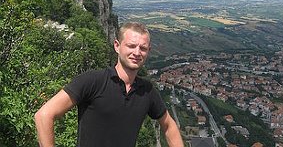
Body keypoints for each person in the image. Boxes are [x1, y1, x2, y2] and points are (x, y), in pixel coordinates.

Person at [35, 21, 184, 147]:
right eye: (131, 46)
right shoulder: (93, 81)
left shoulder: (147, 91)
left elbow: (169, 125)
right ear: (117, 46)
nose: (137, 53)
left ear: (148, 51)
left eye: (143, 48)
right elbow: (44, 115)